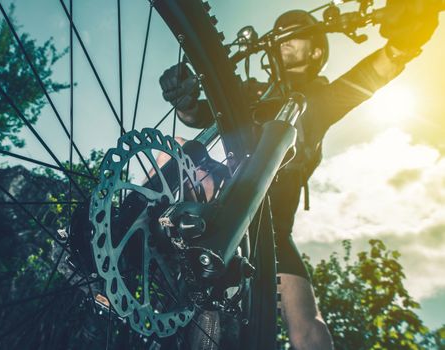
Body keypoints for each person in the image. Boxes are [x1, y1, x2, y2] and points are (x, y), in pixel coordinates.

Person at [159, 1, 440, 349]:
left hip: (273, 225)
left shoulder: (323, 98)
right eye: (281, 34)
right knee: (180, 148)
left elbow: (370, 74)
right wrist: (185, 101)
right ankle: (115, 238)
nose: (284, 39)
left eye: (297, 34)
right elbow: (200, 114)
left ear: (317, 50)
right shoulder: (250, 92)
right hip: (223, 196)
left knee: (306, 324)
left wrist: (404, 42)